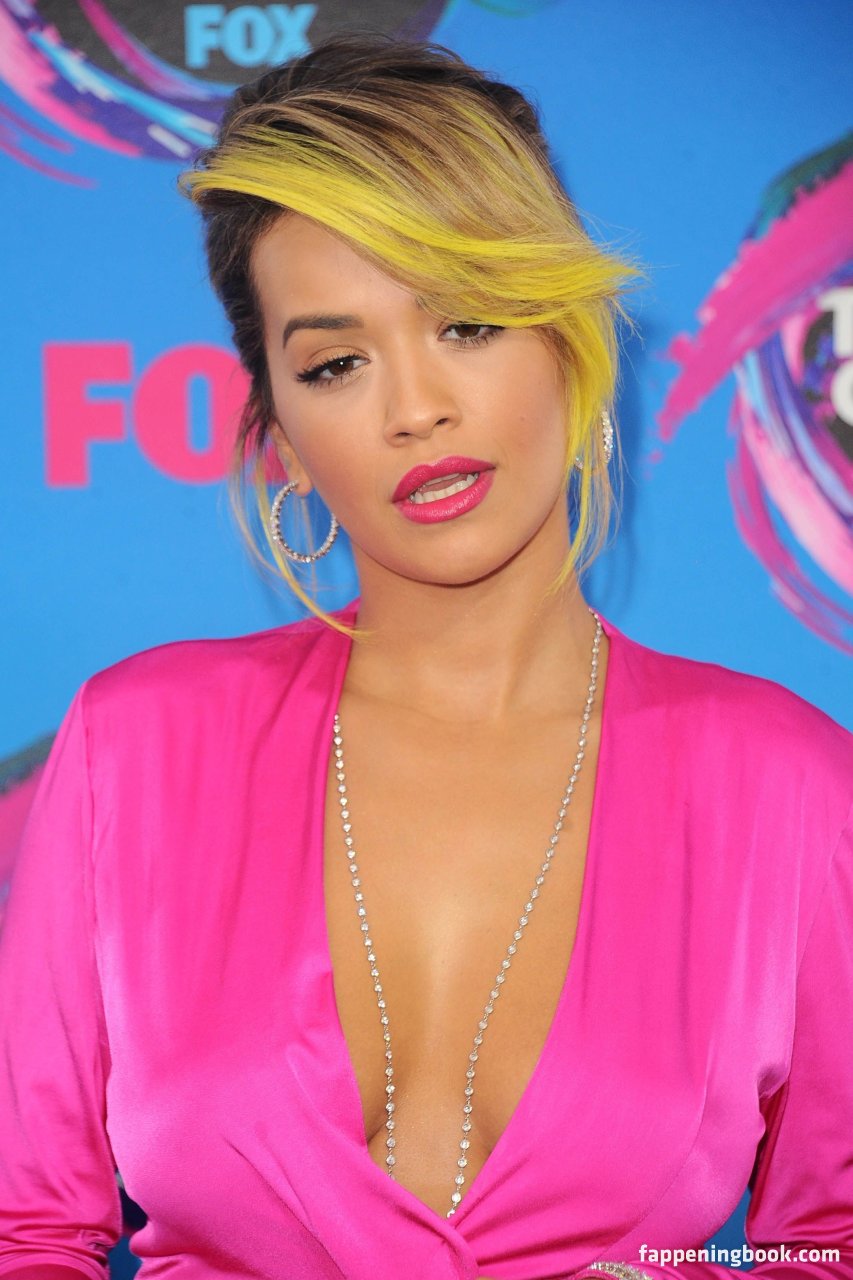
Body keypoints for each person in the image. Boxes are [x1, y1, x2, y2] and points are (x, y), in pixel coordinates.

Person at [0, 32, 851, 1280]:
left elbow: (830, 1238)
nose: (414, 407)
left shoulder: (784, 781)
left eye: (466, 320)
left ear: (569, 335)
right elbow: (26, 1231)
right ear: (280, 435)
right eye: (336, 362)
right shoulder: (136, 745)